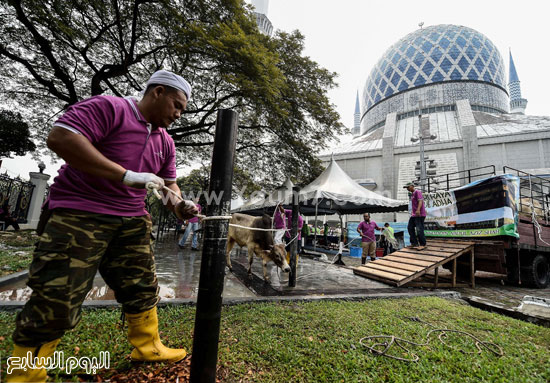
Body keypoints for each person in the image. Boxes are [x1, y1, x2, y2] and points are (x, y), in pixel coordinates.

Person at [7, 70, 198, 383]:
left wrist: (179, 204)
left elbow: (169, 187)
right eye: (177, 105)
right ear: (158, 92)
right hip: (80, 213)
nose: (179, 114)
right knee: (57, 295)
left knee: (141, 287)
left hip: (133, 219)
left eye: (183, 109)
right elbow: (61, 137)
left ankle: (148, 346)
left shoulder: (166, 142)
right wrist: (126, 175)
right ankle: (25, 374)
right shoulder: (110, 108)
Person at [405, 181, 427, 250]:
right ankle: (414, 243)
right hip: (414, 214)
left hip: (420, 214)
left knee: (419, 229)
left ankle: (423, 244)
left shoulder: (417, 192)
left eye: (408, 187)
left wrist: (418, 210)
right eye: (406, 188)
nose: (407, 189)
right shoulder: (412, 194)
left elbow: (420, 201)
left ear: (412, 186)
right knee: (410, 227)